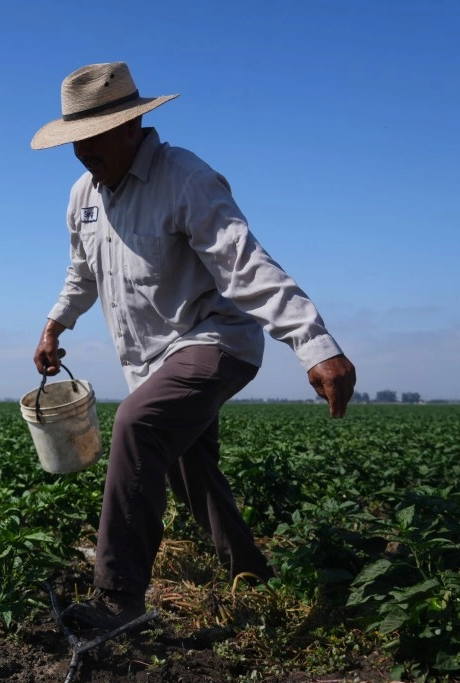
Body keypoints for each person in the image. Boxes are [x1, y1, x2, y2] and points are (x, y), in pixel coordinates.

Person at [30, 62, 357, 631]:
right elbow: (82, 271)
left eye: (93, 138)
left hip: (216, 340)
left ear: (131, 125)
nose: (83, 153)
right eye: (74, 141)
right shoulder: (84, 193)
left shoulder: (185, 178)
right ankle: (248, 568)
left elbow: (243, 263)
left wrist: (313, 342)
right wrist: (56, 324)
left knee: (138, 425)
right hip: (152, 359)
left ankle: (117, 601)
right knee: (189, 462)